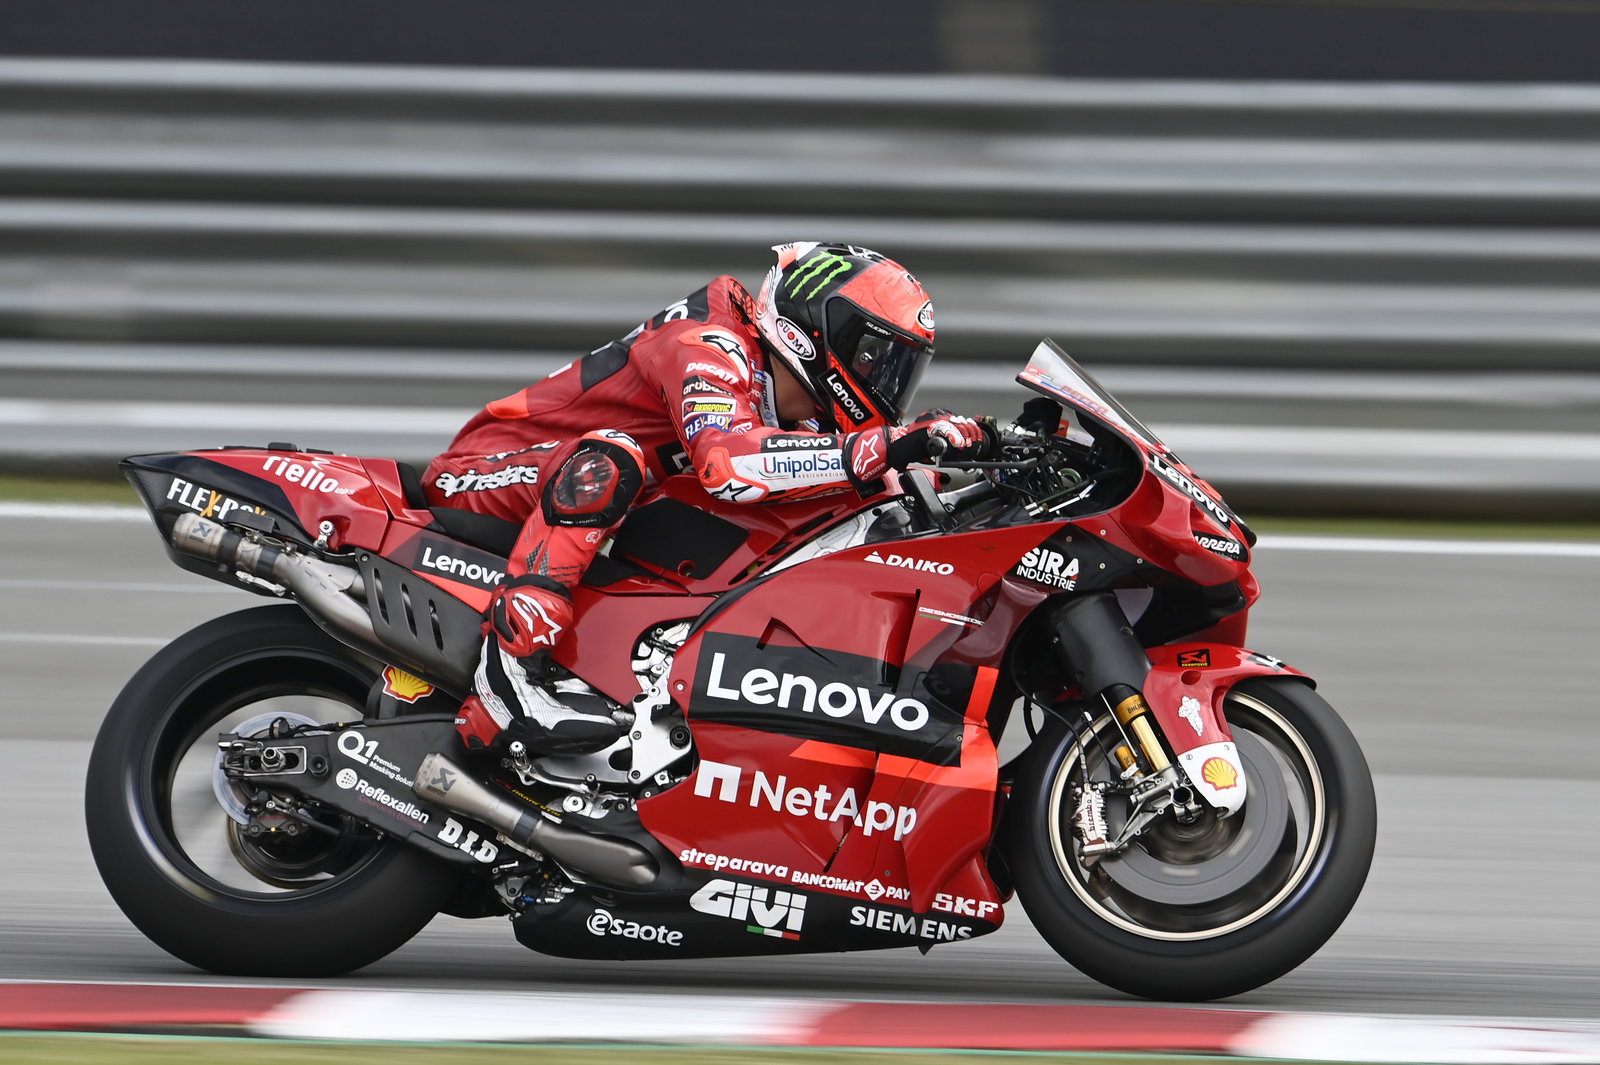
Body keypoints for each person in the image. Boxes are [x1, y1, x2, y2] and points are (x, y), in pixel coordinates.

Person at [423, 242, 989, 759]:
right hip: (484, 473)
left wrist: (975, 469)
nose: (882, 378)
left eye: (898, 366)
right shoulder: (709, 343)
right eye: (872, 356)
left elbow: (863, 476)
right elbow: (727, 466)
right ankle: (510, 677)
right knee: (613, 456)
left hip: (587, 498)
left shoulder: (788, 399)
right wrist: (888, 445)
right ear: (813, 330)